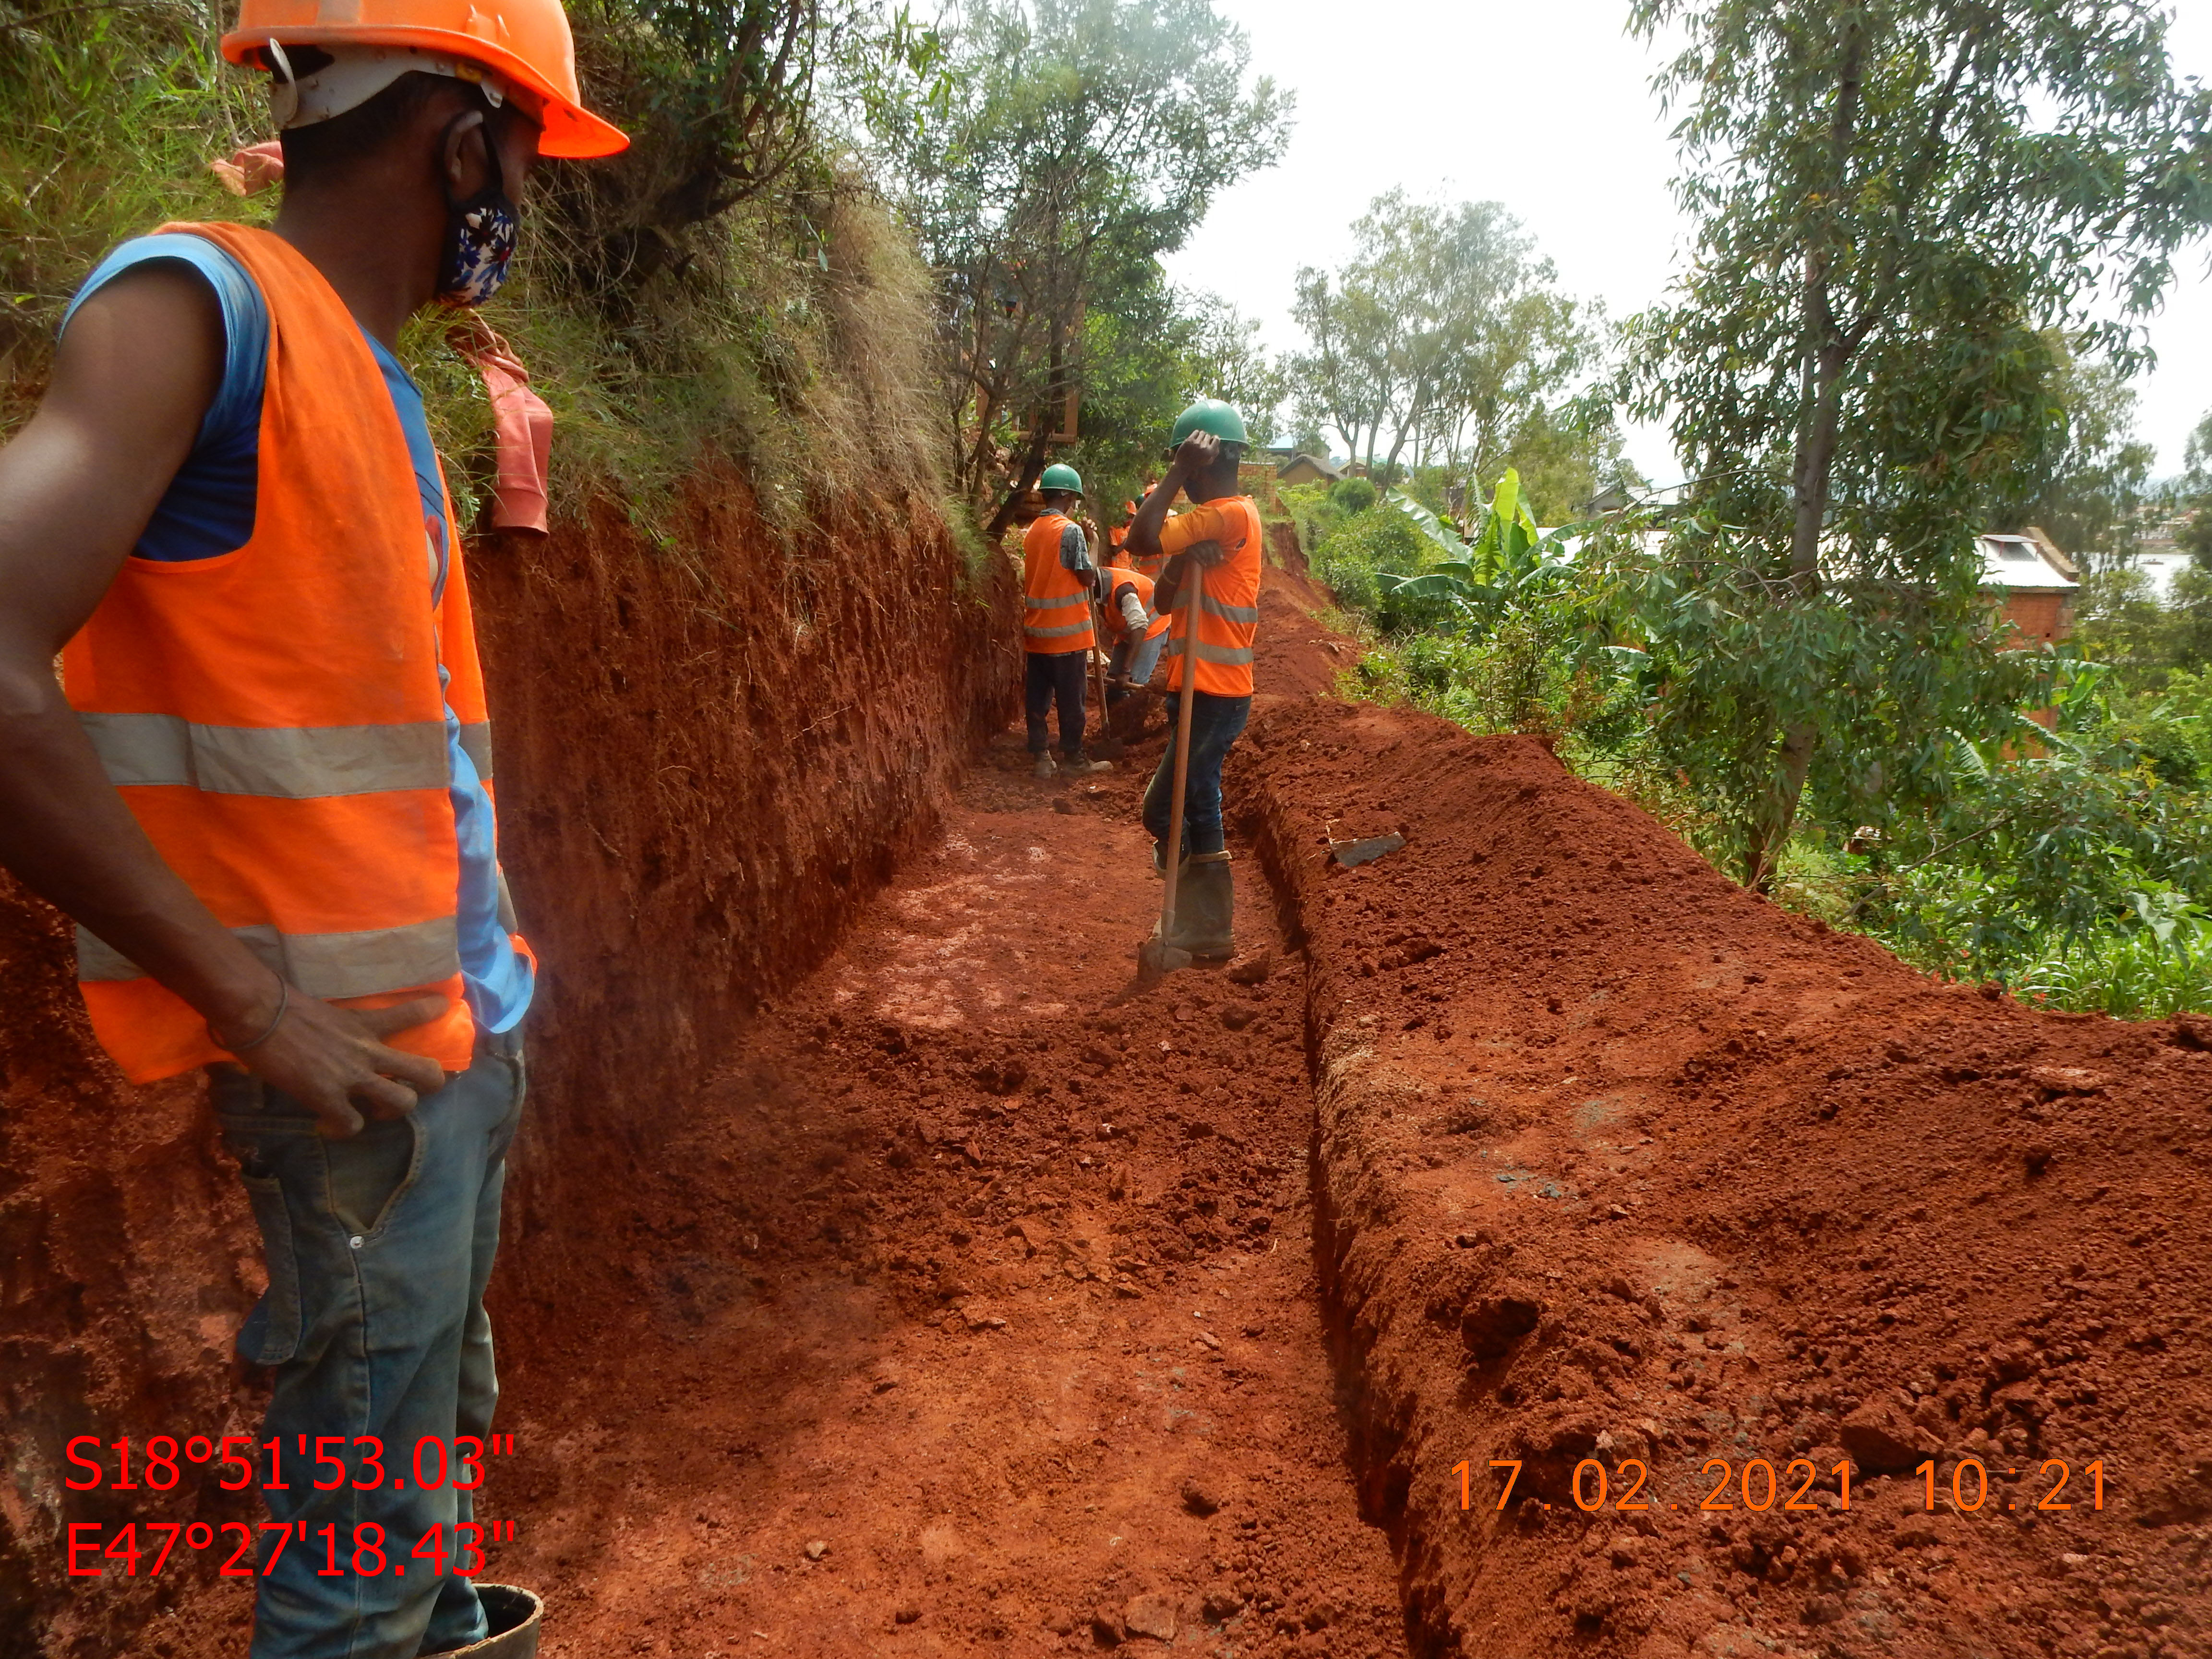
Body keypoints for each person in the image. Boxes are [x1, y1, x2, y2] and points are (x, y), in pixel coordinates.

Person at [0, 3, 625, 1654]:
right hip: (352, 1091)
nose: (525, 198)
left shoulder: (379, 391)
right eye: (527, 157)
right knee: (348, 1583)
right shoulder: (195, 308)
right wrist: (252, 999)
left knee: (413, 1512)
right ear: (457, 136)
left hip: (441, 1059)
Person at [1122, 400, 1262, 958]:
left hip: (1217, 693)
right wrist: (1182, 566)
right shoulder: (1216, 524)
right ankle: (1208, 927)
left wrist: (1175, 472)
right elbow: (1160, 597)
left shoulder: (1229, 514)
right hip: (1197, 689)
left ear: (1202, 463)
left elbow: (1138, 539)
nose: (1183, 481)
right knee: (1199, 800)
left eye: (1187, 468)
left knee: (1166, 808)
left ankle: (1202, 914)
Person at [1020, 462, 1112, 780]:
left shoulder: (1033, 531)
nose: (1074, 504)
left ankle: (1041, 758)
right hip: (1068, 636)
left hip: (1037, 634)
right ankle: (1074, 757)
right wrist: (1094, 543)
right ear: (1066, 495)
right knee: (1072, 702)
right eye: (1073, 498)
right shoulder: (1070, 531)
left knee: (1038, 699)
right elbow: (1088, 578)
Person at [1100, 551, 1168, 721]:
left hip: (1151, 627)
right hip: (1127, 631)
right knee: (1114, 682)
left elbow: (1140, 627)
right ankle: (1111, 726)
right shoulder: (1098, 588)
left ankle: (1131, 729)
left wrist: (1126, 670)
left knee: (1132, 683)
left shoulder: (1124, 591)